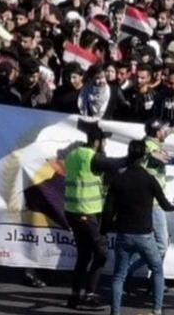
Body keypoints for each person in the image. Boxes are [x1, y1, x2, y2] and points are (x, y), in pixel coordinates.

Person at [102, 139, 174, 315]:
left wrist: (104, 230)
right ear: (142, 157)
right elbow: (164, 204)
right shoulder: (149, 179)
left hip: (123, 235)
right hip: (144, 235)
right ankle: (156, 309)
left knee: (119, 276)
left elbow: (108, 210)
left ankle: (115, 312)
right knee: (156, 269)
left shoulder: (118, 179)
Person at [64, 121, 126, 309]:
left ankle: (75, 296)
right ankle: (89, 295)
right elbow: (115, 163)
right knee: (101, 252)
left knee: (84, 255)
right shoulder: (91, 157)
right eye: (104, 142)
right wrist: (137, 154)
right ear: (97, 142)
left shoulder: (73, 154)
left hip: (73, 211)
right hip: (85, 212)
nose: (105, 145)